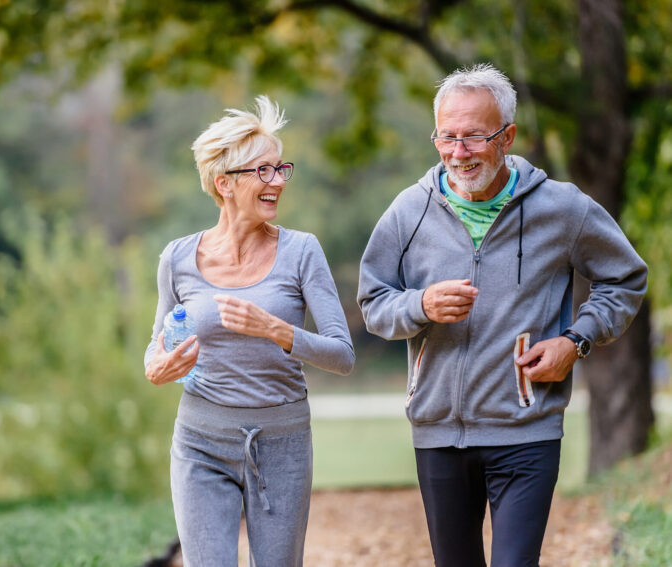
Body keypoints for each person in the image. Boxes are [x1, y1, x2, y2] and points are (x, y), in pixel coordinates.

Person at [357, 64, 647, 567]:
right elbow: (372, 302)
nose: (458, 152)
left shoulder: (562, 208)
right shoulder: (409, 212)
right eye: (447, 137)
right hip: (437, 431)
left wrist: (575, 341)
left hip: (526, 429)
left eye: (474, 137)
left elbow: (625, 277)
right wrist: (419, 306)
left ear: (507, 136)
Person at [144, 95, 355, 567]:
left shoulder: (302, 252)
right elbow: (156, 347)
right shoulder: (177, 258)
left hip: (282, 441)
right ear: (224, 183)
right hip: (200, 439)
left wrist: (277, 330)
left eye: (281, 169)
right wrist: (156, 367)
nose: (277, 181)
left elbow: (343, 355)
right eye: (262, 171)